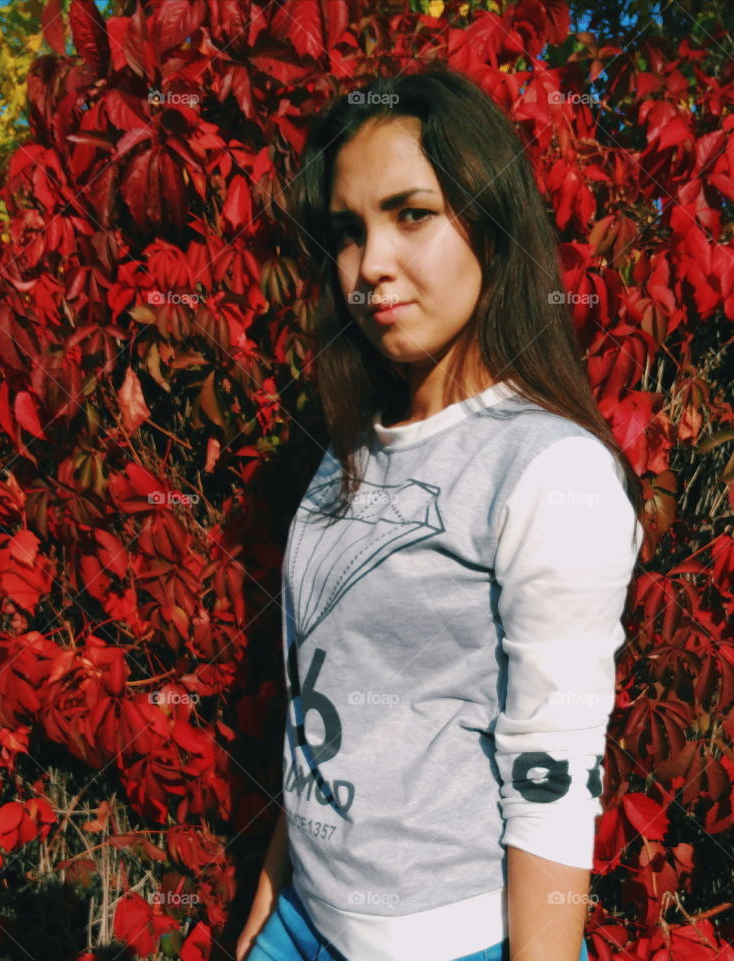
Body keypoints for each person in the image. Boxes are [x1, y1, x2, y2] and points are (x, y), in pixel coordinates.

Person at [237, 63, 644, 961]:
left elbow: (553, 778)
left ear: (491, 227)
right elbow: (323, 694)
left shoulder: (550, 470)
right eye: (348, 231)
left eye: (411, 213)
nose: (370, 262)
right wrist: (267, 907)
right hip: (303, 915)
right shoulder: (348, 449)